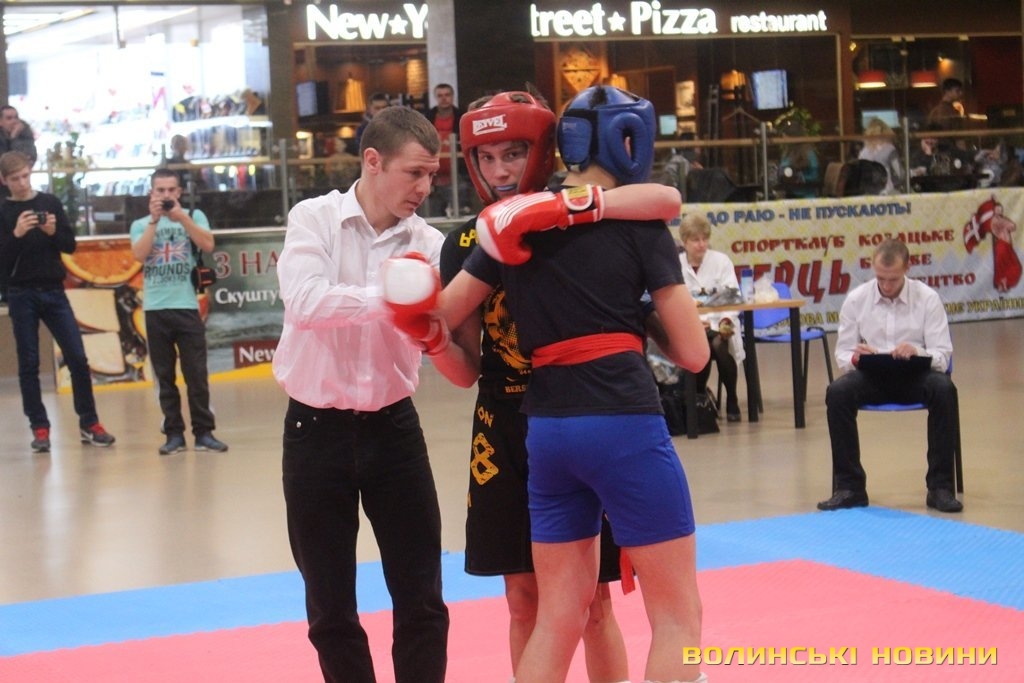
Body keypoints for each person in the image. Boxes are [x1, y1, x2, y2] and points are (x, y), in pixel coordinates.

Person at [392, 85, 709, 683]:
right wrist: (639, 312)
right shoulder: (641, 225)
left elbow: (438, 317)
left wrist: (409, 311)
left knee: (559, 615)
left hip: (547, 433)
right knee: (677, 615)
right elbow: (693, 354)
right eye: (488, 157)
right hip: (618, 419)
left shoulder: (503, 227)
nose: (499, 170)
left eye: (512, 154)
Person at [272, 106, 450, 683]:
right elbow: (306, 301)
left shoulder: (430, 243)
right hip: (314, 431)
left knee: (422, 597)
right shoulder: (314, 218)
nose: (424, 188)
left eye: (432, 175)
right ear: (373, 161)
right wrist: (394, 296)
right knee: (329, 607)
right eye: (414, 173)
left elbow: (442, 326)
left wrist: (429, 317)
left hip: (395, 429)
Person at [817, 238, 962, 514]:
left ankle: (940, 488)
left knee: (944, 390)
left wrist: (917, 351)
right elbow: (843, 353)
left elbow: (943, 356)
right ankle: (850, 487)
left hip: (916, 376)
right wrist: (857, 357)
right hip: (872, 376)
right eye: (880, 278)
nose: (885, 285)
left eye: (893, 279)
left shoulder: (927, 298)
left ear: (908, 267)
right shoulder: (857, 299)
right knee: (837, 392)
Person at [0, 151, 116, 452]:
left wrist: (52, 232)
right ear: (4, 180)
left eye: (25, 176)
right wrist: (16, 233)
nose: (22, 183)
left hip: (54, 289)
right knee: (29, 363)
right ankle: (39, 427)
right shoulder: (3, 210)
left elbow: (69, 245)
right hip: (21, 293)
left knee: (77, 357)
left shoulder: (49, 202)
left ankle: (89, 423)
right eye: (15, 178)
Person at [129, 169, 228, 456]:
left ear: (179, 192)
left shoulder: (194, 217)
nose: (166, 195)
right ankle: (173, 434)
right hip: (155, 308)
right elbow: (139, 255)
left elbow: (208, 244)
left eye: (171, 190)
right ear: (151, 193)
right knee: (164, 376)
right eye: (160, 191)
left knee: (196, 373)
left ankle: (204, 432)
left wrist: (182, 218)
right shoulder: (140, 224)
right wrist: (154, 221)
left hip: (186, 305)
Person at [677, 213, 745, 422]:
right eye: (695, 240)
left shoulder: (721, 261)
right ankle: (700, 397)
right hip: (691, 328)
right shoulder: (675, 265)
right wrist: (695, 322)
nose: (701, 244)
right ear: (684, 241)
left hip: (720, 324)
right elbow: (674, 303)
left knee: (719, 343)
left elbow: (733, 296)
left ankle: (732, 398)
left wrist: (724, 321)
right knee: (702, 344)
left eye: (705, 239)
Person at [425, 83, 465, 217]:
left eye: (447, 95)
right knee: (433, 215)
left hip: (457, 173)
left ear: (453, 96)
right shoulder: (427, 117)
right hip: (432, 175)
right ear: (435, 98)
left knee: (459, 212)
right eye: (440, 95)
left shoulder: (462, 117)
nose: (444, 98)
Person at [858, 117, 904, 194]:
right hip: (886, 192)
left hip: (868, 193)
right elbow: (901, 174)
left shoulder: (863, 152)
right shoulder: (889, 149)